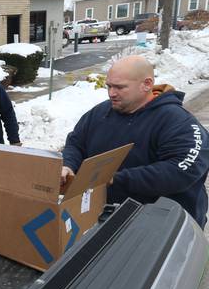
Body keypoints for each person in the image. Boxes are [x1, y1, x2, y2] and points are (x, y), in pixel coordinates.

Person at [61, 55, 209, 227]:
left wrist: (115, 179)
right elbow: (76, 143)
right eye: (109, 86)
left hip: (166, 227)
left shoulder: (178, 122)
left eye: (120, 87)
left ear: (146, 84)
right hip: (106, 218)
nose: (111, 93)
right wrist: (68, 164)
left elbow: (180, 172)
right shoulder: (100, 113)